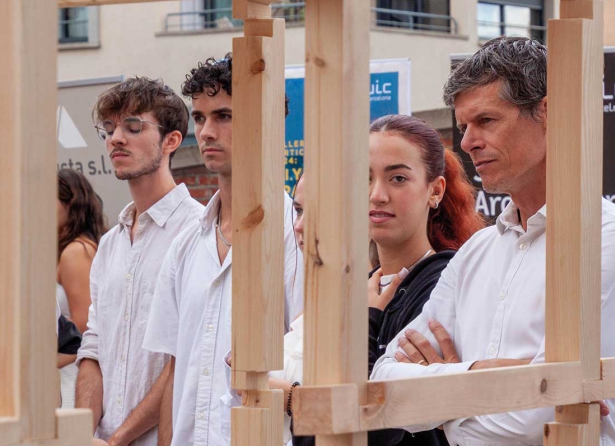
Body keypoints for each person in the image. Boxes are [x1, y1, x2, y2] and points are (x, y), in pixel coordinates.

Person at [370, 37, 615, 446]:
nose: (467, 141)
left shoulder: (611, 242)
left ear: (548, 112)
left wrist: (439, 406)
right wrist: (475, 374)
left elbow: (535, 421)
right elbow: (383, 384)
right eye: (464, 126)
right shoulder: (476, 251)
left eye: (486, 121)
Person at [230, 114, 484, 446]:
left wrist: (293, 397)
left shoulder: (443, 283)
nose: (377, 195)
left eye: (397, 178)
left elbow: (375, 431)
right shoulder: (359, 290)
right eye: (365, 178)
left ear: (434, 191)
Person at [144, 55, 303, 446]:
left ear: (266, 121)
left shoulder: (296, 234)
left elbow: (308, 361)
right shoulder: (185, 245)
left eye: (224, 116)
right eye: (199, 118)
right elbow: (175, 372)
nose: (207, 131)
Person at [75, 77, 205, 446]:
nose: (117, 138)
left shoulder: (198, 232)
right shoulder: (110, 243)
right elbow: (94, 345)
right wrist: (84, 435)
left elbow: (185, 355)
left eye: (133, 126)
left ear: (171, 141)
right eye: (110, 128)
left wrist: (120, 439)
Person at [56, 168, 106, 408]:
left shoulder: (75, 252)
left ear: (70, 203)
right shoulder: (79, 247)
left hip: (69, 374)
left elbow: (84, 325)